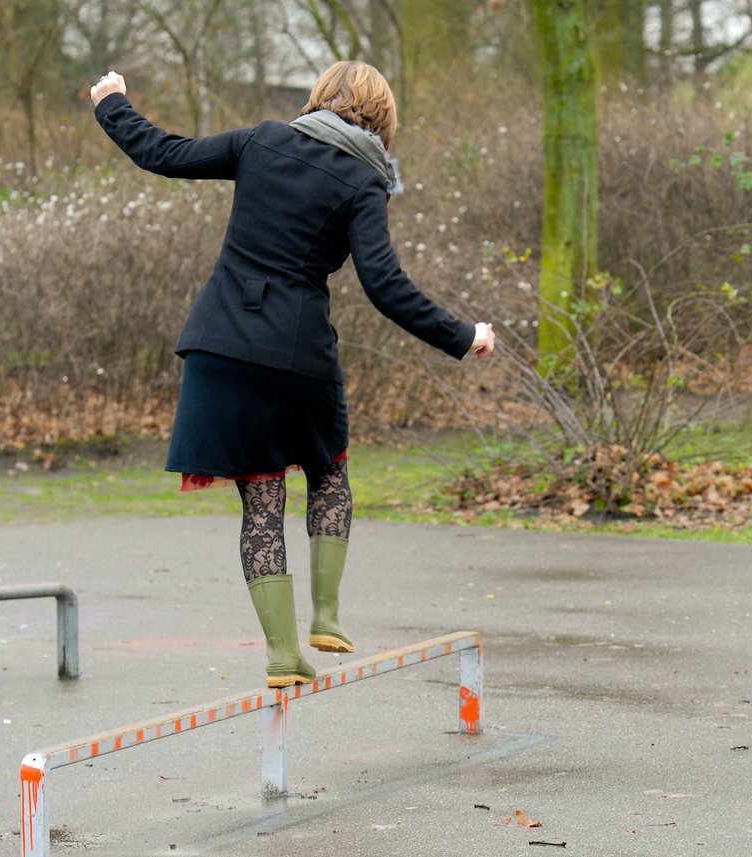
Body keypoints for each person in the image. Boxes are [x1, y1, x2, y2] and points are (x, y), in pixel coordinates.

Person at [89, 62, 495, 689]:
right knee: (328, 472)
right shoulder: (365, 180)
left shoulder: (261, 140)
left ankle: (283, 655)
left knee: (260, 498)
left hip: (221, 344)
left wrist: (112, 103)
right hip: (297, 352)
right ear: (382, 118)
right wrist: (464, 336)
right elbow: (385, 286)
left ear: (318, 98)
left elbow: (162, 152)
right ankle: (326, 616)